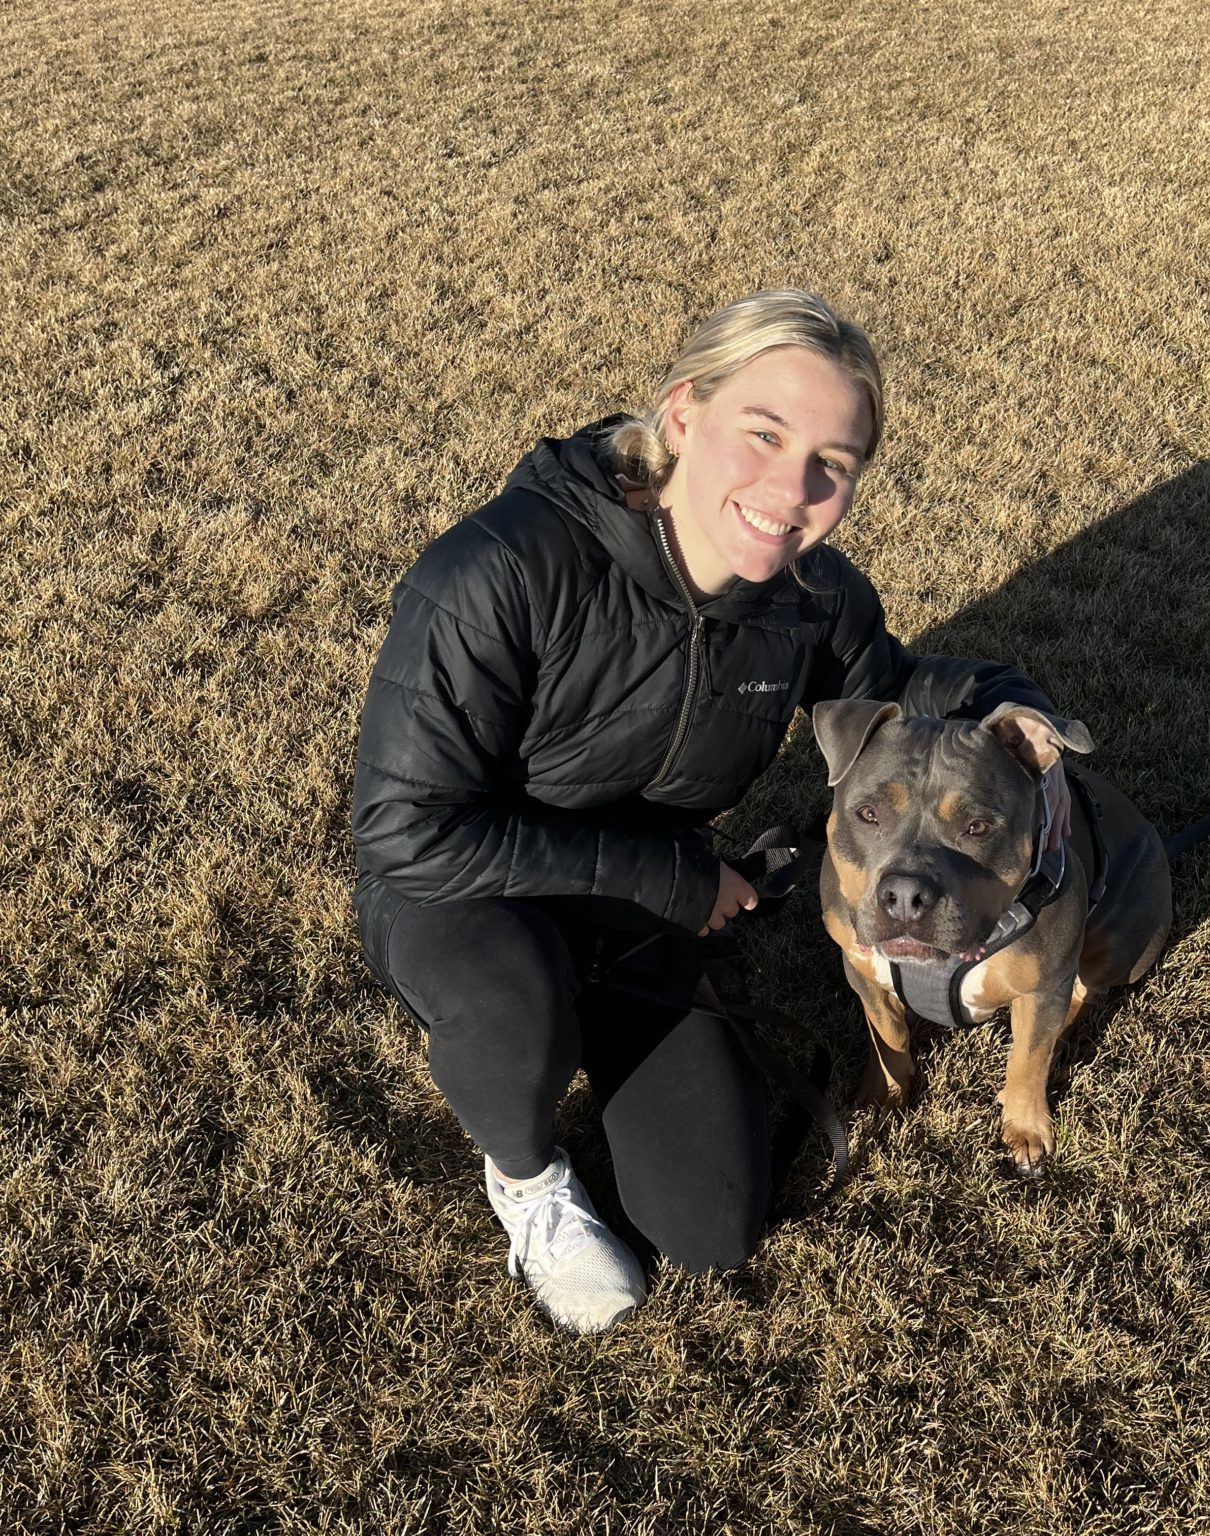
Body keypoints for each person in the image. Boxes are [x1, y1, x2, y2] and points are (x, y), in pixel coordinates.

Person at [350, 290, 1070, 1333]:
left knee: (712, 1223)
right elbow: (405, 833)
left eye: (835, 461)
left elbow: (915, 694)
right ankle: (527, 1176)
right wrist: (678, 881)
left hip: (642, 907)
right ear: (684, 414)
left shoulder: (816, 600)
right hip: (463, 893)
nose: (793, 489)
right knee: (513, 997)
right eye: (764, 434)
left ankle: (601, 1004)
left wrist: (1026, 714)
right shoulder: (501, 569)